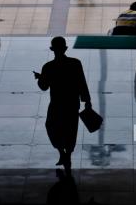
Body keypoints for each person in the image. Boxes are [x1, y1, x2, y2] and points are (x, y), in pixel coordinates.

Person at [34, 37, 92, 173]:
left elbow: (43, 87)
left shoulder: (48, 67)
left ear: (52, 49)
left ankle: (62, 152)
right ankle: (68, 155)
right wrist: (87, 101)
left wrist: (40, 78)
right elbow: (81, 83)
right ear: (65, 49)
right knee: (71, 130)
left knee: (53, 127)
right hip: (72, 103)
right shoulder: (75, 64)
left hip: (56, 103)